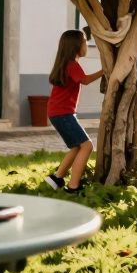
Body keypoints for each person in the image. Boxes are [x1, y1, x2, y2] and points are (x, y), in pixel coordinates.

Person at [43, 29, 104, 194]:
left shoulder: (66, 64)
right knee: (87, 146)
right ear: (76, 46)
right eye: (84, 42)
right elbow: (85, 80)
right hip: (63, 114)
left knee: (77, 147)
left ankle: (56, 178)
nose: (86, 45)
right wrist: (105, 70)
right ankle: (73, 186)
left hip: (58, 113)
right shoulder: (72, 65)